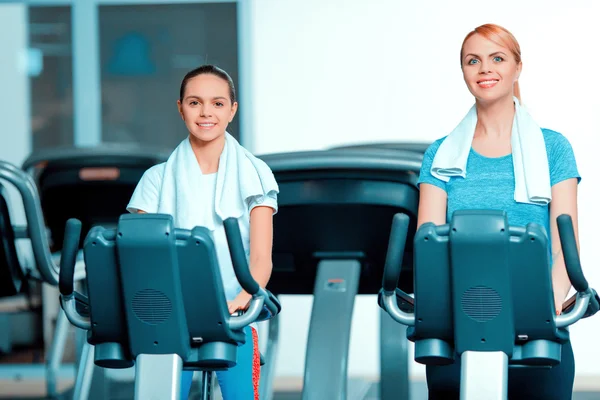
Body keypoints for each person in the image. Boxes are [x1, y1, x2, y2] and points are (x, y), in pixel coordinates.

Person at [417, 23, 580, 399]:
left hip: (537, 327)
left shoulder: (553, 148)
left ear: (517, 68)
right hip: (457, 328)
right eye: (473, 61)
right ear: (464, 73)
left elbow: (564, 247)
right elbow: (429, 243)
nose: (484, 68)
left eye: (497, 58)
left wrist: (544, 311)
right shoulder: (440, 155)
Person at [126, 64, 278, 400]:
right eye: (195, 103)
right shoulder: (155, 180)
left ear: (232, 110)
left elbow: (261, 259)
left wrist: (239, 303)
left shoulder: (256, 174)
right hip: (168, 314)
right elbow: (140, 262)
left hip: (234, 313)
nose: (206, 112)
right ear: (180, 108)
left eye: (218, 103)